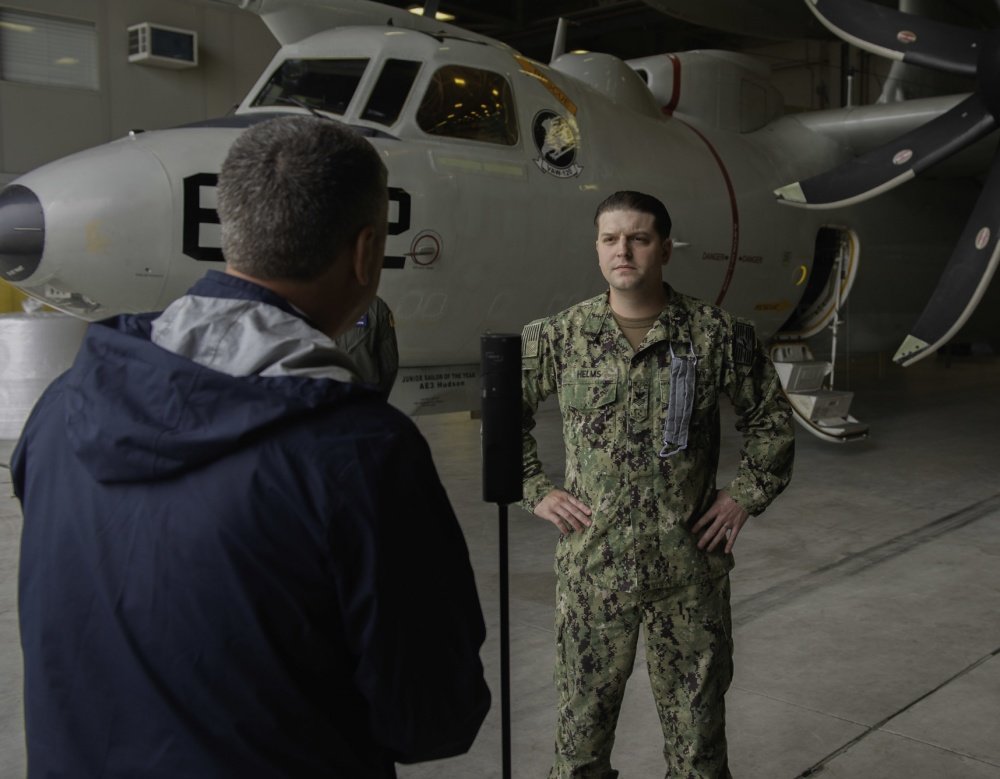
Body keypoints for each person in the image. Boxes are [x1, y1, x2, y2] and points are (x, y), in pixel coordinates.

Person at [12, 116, 490, 778]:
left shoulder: (62, 410)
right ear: (366, 252)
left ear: (230, 231)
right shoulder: (361, 453)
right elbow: (434, 715)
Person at [520, 191, 794, 778]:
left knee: (698, 747)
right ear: (596, 248)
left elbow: (771, 420)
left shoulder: (719, 334)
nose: (624, 250)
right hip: (595, 572)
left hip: (688, 572)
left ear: (665, 248)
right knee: (579, 747)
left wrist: (744, 495)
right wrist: (534, 487)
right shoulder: (559, 337)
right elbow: (504, 419)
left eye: (639, 238)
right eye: (610, 238)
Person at [333, 295, 399, 399]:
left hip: (325, 402)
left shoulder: (309, 304)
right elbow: (390, 364)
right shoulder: (376, 305)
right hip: (365, 397)